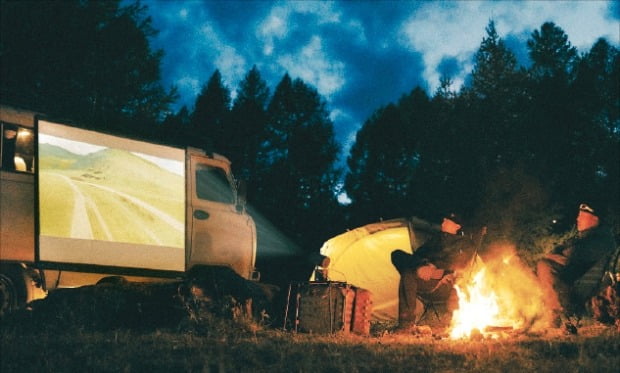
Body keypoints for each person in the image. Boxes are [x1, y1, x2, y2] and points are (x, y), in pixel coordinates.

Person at [391, 213, 479, 331]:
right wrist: (423, 265)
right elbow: (418, 255)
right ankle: (419, 269)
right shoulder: (435, 239)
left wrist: (434, 267)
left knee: (408, 275)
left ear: (457, 226)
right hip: (425, 277)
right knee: (397, 254)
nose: (442, 223)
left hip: (443, 283)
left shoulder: (465, 243)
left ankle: (406, 325)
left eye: (447, 221)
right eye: (443, 220)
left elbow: (458, 263)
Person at [537, 202, 617, 328]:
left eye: (582, 216)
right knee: (545, 266)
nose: (577, 219)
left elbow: (569, 258)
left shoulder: (600, 240)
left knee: (545, 266)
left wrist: (550, 256)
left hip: (589, 289)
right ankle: (552, 314)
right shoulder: (589, 237)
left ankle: (561, 315)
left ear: (594, 219)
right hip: (580, 284)